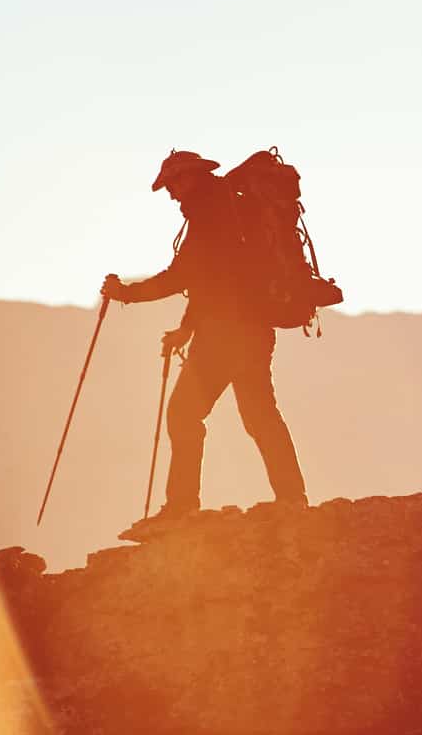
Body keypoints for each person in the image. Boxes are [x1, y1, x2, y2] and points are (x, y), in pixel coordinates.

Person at [102, 150, 308, 514]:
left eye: (173, 184)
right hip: (254, 330)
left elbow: (182, 276)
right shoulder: (236, 210)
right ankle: (292, 498)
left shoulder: (209, 215)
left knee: (183, 414)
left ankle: (182, 506)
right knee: (261, 416)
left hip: (223, 338)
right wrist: (186, 329)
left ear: (191, 177)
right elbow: (215, 282)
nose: (171, 194)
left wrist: (126, 294)